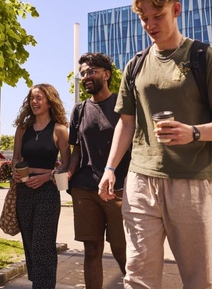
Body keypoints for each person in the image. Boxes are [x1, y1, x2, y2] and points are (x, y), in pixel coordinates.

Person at [98, 0, 212, 289]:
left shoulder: (205, 58)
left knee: (198, 278)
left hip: (190, 181)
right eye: (144, 18)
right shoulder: (136, 65)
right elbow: (126, 122)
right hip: (140, 179)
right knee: (137, 277)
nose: (150, 24)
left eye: (157, 16)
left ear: (176, 10)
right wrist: (111, 168)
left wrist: (193, 132)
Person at [67, 52, 130, 289]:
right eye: (82, 73)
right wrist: (69, 172)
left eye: (91, 71)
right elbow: (76, 150)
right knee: (91, 249)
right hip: (84, 189)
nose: (86, 76)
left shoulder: (123, 105)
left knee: (122, 250)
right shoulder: (79, 110)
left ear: (107, 74)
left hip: (119, 188)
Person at [11, 83, 71, 289]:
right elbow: (16, 157)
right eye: (31, 98)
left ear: (49, 101)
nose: (34, 102)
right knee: (30, 243)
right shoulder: (23, 129)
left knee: (43, 245)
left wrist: (47, 177)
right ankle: (39, 283)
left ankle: (44, 286)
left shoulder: (60, 130)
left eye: (39, 98)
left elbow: (66, 164)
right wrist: (15, 173)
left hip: (47, 191)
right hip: (24, 190)